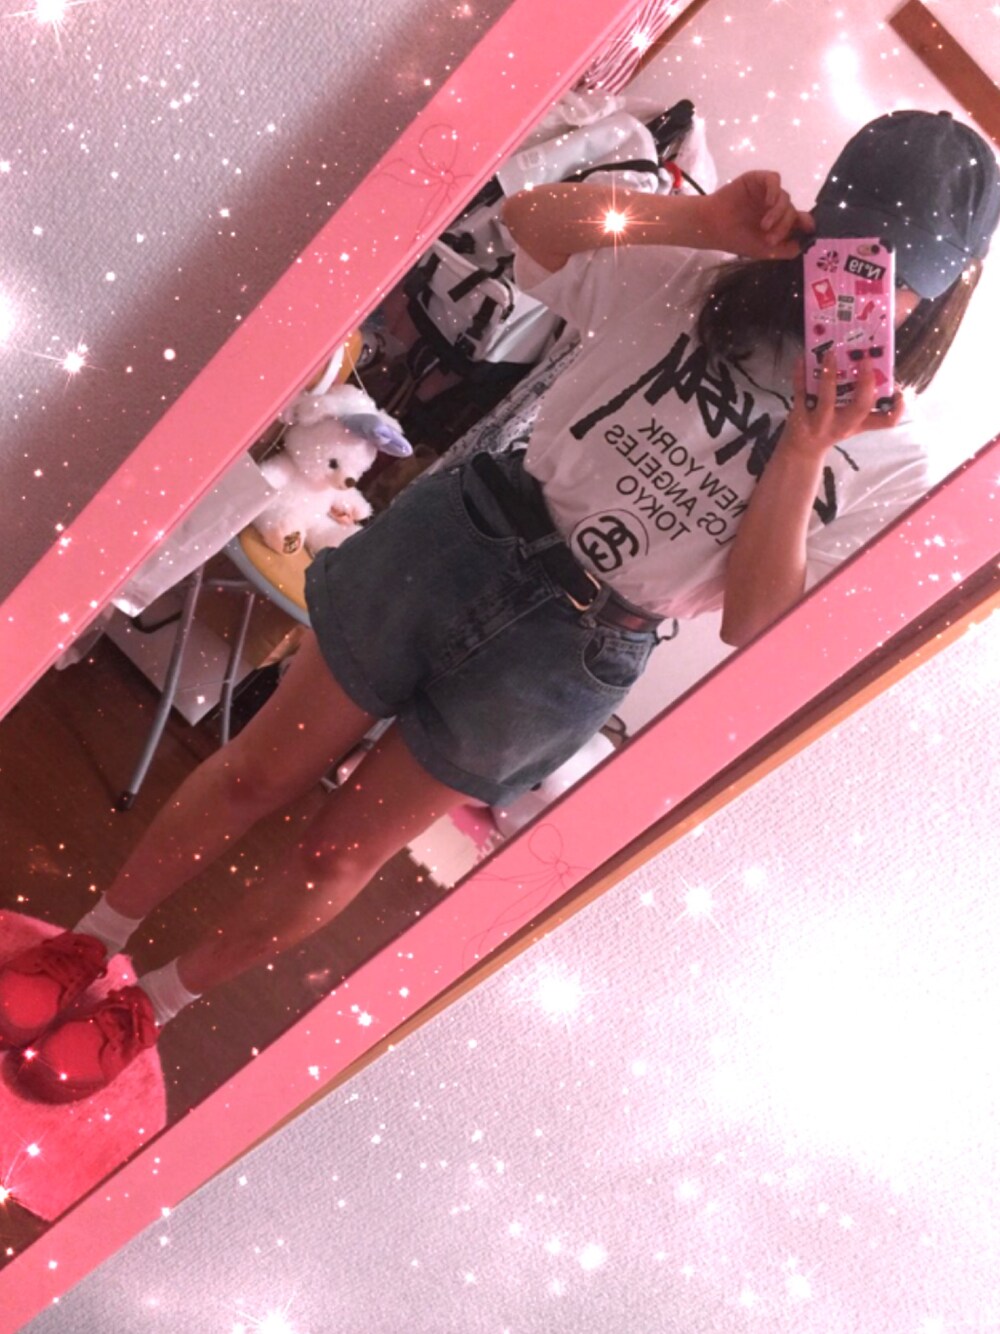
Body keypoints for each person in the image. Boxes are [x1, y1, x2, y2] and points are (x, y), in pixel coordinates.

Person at [1, 110, 997, 1102]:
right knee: (260, 769)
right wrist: (702, 223)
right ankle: (91, 940)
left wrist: (806, 450)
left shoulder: (892, 465)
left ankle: (154, 1004)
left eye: (896, 273)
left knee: (337, 852)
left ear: (945, 288)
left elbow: (758, 626)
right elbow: (524, 225)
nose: (857, 283)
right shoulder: (703, 276)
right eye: (849, 241)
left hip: (570, 651)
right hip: (466, 537)